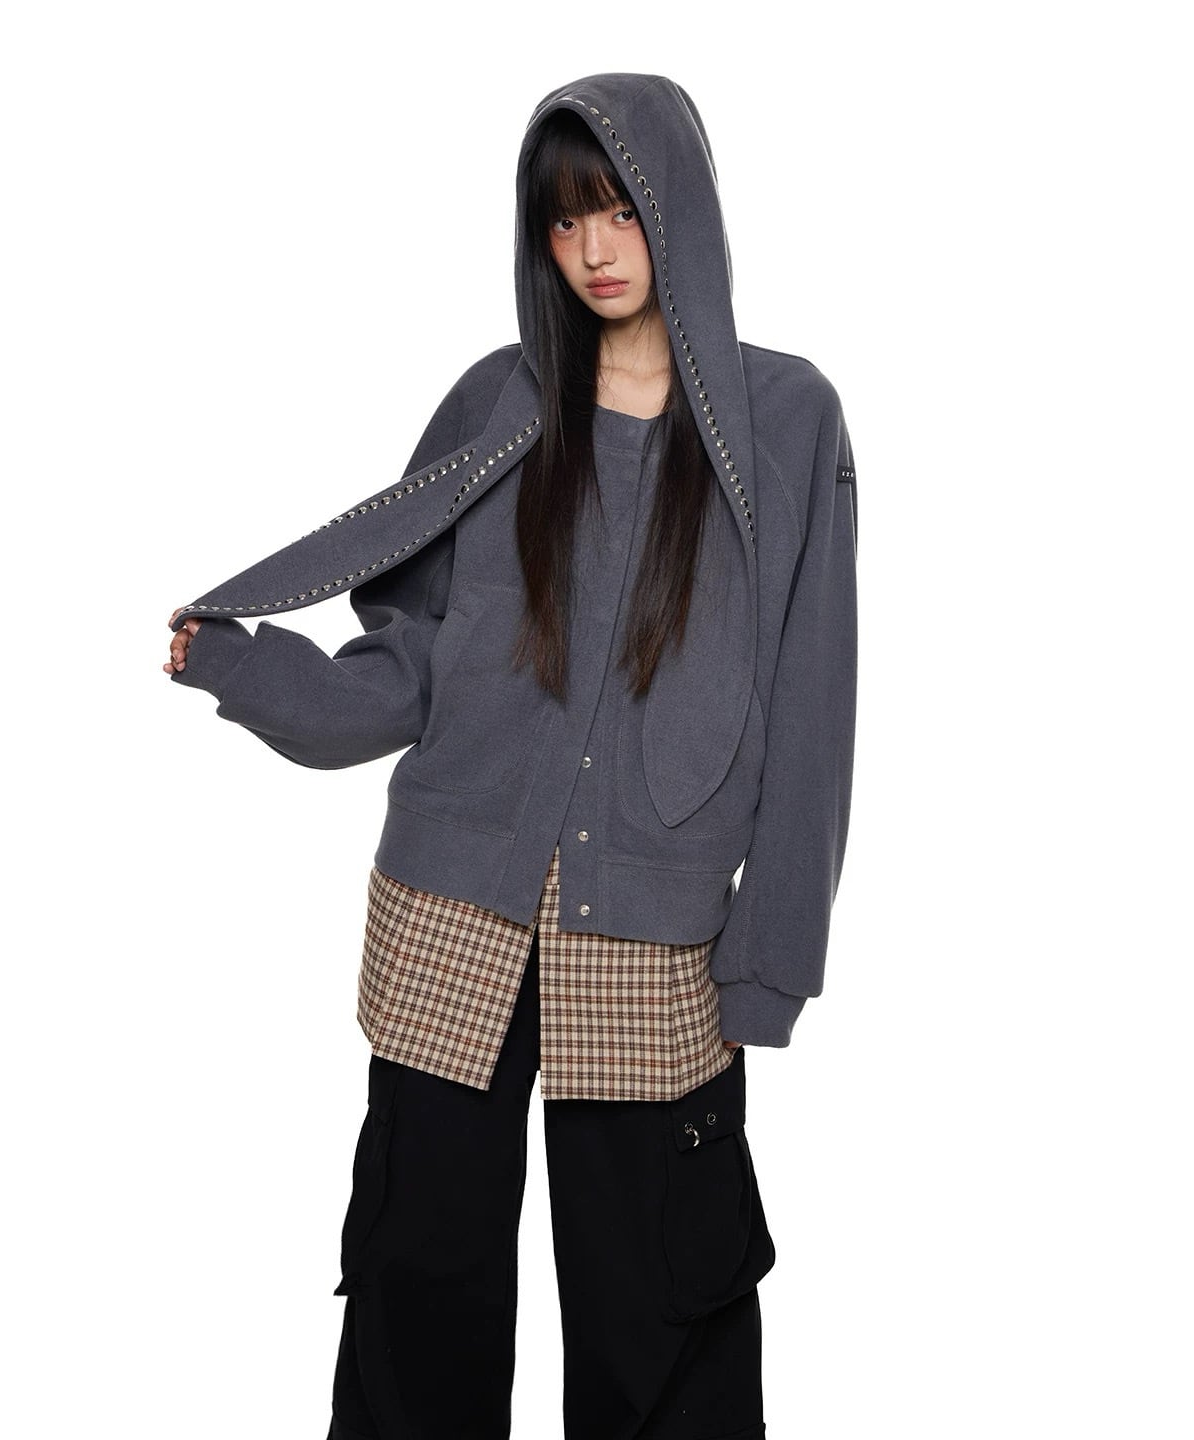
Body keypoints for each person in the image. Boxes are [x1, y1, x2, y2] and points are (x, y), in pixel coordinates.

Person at [165, 73, 857, 1440]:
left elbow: (814, 700)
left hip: (654, 943)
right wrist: (248, 669)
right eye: (563, 221)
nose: (595, 248)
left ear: (679, 207)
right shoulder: (500, 401)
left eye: (620, 209)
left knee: (666, 1316)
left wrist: (770, 959)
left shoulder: (788, 420)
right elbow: (408, 665)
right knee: (415, 1299)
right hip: (449, 917)